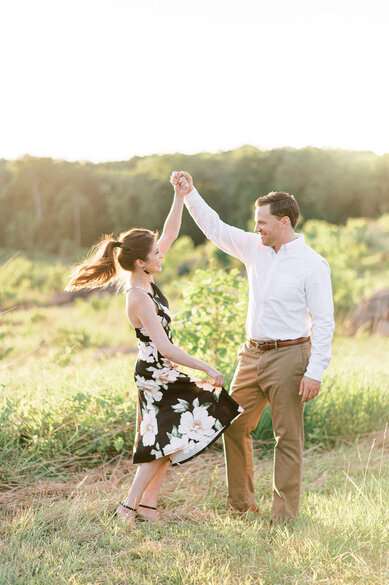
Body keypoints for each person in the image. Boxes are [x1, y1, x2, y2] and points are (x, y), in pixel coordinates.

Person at [66, 182, 243, 523]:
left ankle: (147, 507)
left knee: (167, 440)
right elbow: (164, 347)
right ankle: (128, 507)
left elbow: (172, 231)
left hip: (161, 371)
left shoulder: (145, 275)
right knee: (170, 435)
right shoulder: (137, 296)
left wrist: (179, 196)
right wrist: (204, 366)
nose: (162, 255)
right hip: (155, 374)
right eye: (157, 253)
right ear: (141, 262)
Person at [170, 171, 335, 524]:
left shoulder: (312, 265)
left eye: (262, 221)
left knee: (287, 437)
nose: (256, 227)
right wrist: (190, 193)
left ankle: (284, 517)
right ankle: (242, 505)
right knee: (233, 424)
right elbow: (215, 228)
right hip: (251, 354)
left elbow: (324, 321)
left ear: (284, 222)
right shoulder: (252, 248)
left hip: (291, 356)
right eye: (255, 222)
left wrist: (315, 371)